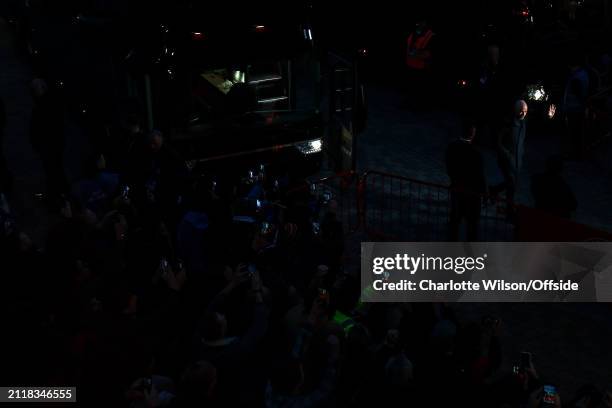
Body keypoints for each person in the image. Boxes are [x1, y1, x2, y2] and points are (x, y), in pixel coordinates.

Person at [30, 78, 68, 209]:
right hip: (54, 143)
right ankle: (61, 195)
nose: (34, 92)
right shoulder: (50, 103)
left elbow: (38, 127)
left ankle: (58, 198)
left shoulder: (42, 106)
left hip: (50, 144)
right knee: (55, 169)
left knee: (53, 171)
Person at [445, 122, 487, 241]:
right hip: (471, 193)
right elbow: (480, 175)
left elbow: (449, 168)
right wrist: (483, 193)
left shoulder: (452, 147)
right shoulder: (475, 153)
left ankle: (452, 246)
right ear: (473, 134)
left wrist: (455, 180)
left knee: (455, 220)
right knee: (471, 223)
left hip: (457, 188)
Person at [491, 100, 529, 218]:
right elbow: (499, 141)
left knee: (511, 183)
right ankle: (509, 210)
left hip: (517, 159)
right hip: (507, 160)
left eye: (525, 111)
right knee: (511, 185)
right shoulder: (508, 124)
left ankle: (494, 190)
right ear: (515, 110)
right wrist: (506, 154)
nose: (523, 114)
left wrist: (549, 117)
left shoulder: (523, 123)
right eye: (521, 111)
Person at [562, 53, 590, 159]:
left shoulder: (576, 77)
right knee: (576, 132)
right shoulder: (582, 74)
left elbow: (578, 94)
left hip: (574, 109)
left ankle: (575, 153)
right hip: (576, 108)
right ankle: (576, 152)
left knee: (574, 132)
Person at [405, 19, 435, 107]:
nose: (419, 24)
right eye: (418, 22)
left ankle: (419, 105)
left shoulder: (430, 36)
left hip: (422, 66)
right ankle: (410, 103)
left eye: (422, 22)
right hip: (410, 64)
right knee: (411, 87)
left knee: (420, 88)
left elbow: (430, 53)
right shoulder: (414, 32)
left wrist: (416, 54)